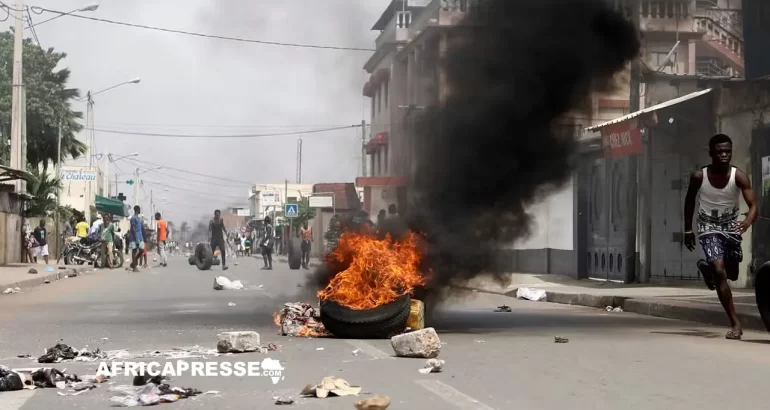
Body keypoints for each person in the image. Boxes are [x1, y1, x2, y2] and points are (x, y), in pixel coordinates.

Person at [684, 133, 757, 341]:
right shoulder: (699, 176)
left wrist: (746, 222)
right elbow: (689, 201)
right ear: (711, 153)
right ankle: (735, 323)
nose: (724, 155)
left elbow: (754, 206)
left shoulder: (739, 176)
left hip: (731, 227)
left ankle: (707, 268)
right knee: (719, 270)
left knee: (732, 274)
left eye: (727, 151)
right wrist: (687, 229)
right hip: (708, 226)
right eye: (719, 152)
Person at [128, 206, 144, 272]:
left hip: (140, 237)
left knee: (141, 250)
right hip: (134, 237)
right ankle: (134, 267)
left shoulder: (138, 218)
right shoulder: (133, 218)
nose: (140, 211)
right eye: (139, 209)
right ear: (137, 210)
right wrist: (136, 238)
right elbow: (133, 228)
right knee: (134, 251)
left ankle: (134, 262)